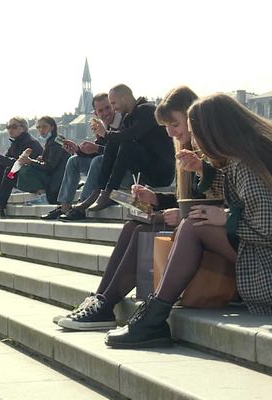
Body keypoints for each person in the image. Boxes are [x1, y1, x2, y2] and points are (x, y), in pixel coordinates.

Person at [103, 93, 272, 349]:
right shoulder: (255, 152)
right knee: (193, 223)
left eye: (196, 133)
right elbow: (246, 194)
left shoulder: (250, 163)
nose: (194, 140)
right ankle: (151, 316)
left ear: (213, 132)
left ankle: (152, 317)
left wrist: (226, 218)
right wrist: (205, 175)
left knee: (193, 226)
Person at [57, 86, 223, 331]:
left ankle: (105, 304)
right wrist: (154, 198)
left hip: (210, 231)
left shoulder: (211, 151)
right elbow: (187, 197)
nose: (170, 133)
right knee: (133, 224)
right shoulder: (188, 149)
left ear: (193, 119)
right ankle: (101, 298)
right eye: (166, 127)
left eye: (175, 125)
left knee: (140, 231)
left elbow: (219, 201)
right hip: (200, 224)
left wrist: (182, 210)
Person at [88, 84, 176, 212]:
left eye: (113, 103)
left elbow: (133, 134)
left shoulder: (147, 110)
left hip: (162, 171)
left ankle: (109, 191)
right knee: (113, 142)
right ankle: (100, 191)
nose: (113, 108)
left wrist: (106, 134)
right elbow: (118, 139)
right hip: (146, 171)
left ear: (124, 98)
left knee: (125, 142)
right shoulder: (128, 117)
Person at [40, 93, 119, 221]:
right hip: (105, 170)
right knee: (74, 160)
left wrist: (97, 147)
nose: (105, 113)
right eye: (100, 110)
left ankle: (81, 206)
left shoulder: (120, 124)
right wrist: (78, 150)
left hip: (120, 172)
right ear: (96, 113)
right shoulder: (102, 127)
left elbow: (121, 153)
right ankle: (64, 206)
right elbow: (99, 151)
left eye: (107, 108)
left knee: (98, 160)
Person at [17, 116, 70, 205]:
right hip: (58, 177)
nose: (41, 130)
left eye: (44, 127)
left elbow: (50, 167)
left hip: (58, 179)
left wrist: (30, 161)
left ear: (52, 127)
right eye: (38, 127)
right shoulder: (53, 140)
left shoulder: (55, 141)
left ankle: (43, 196)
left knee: (26, 170)